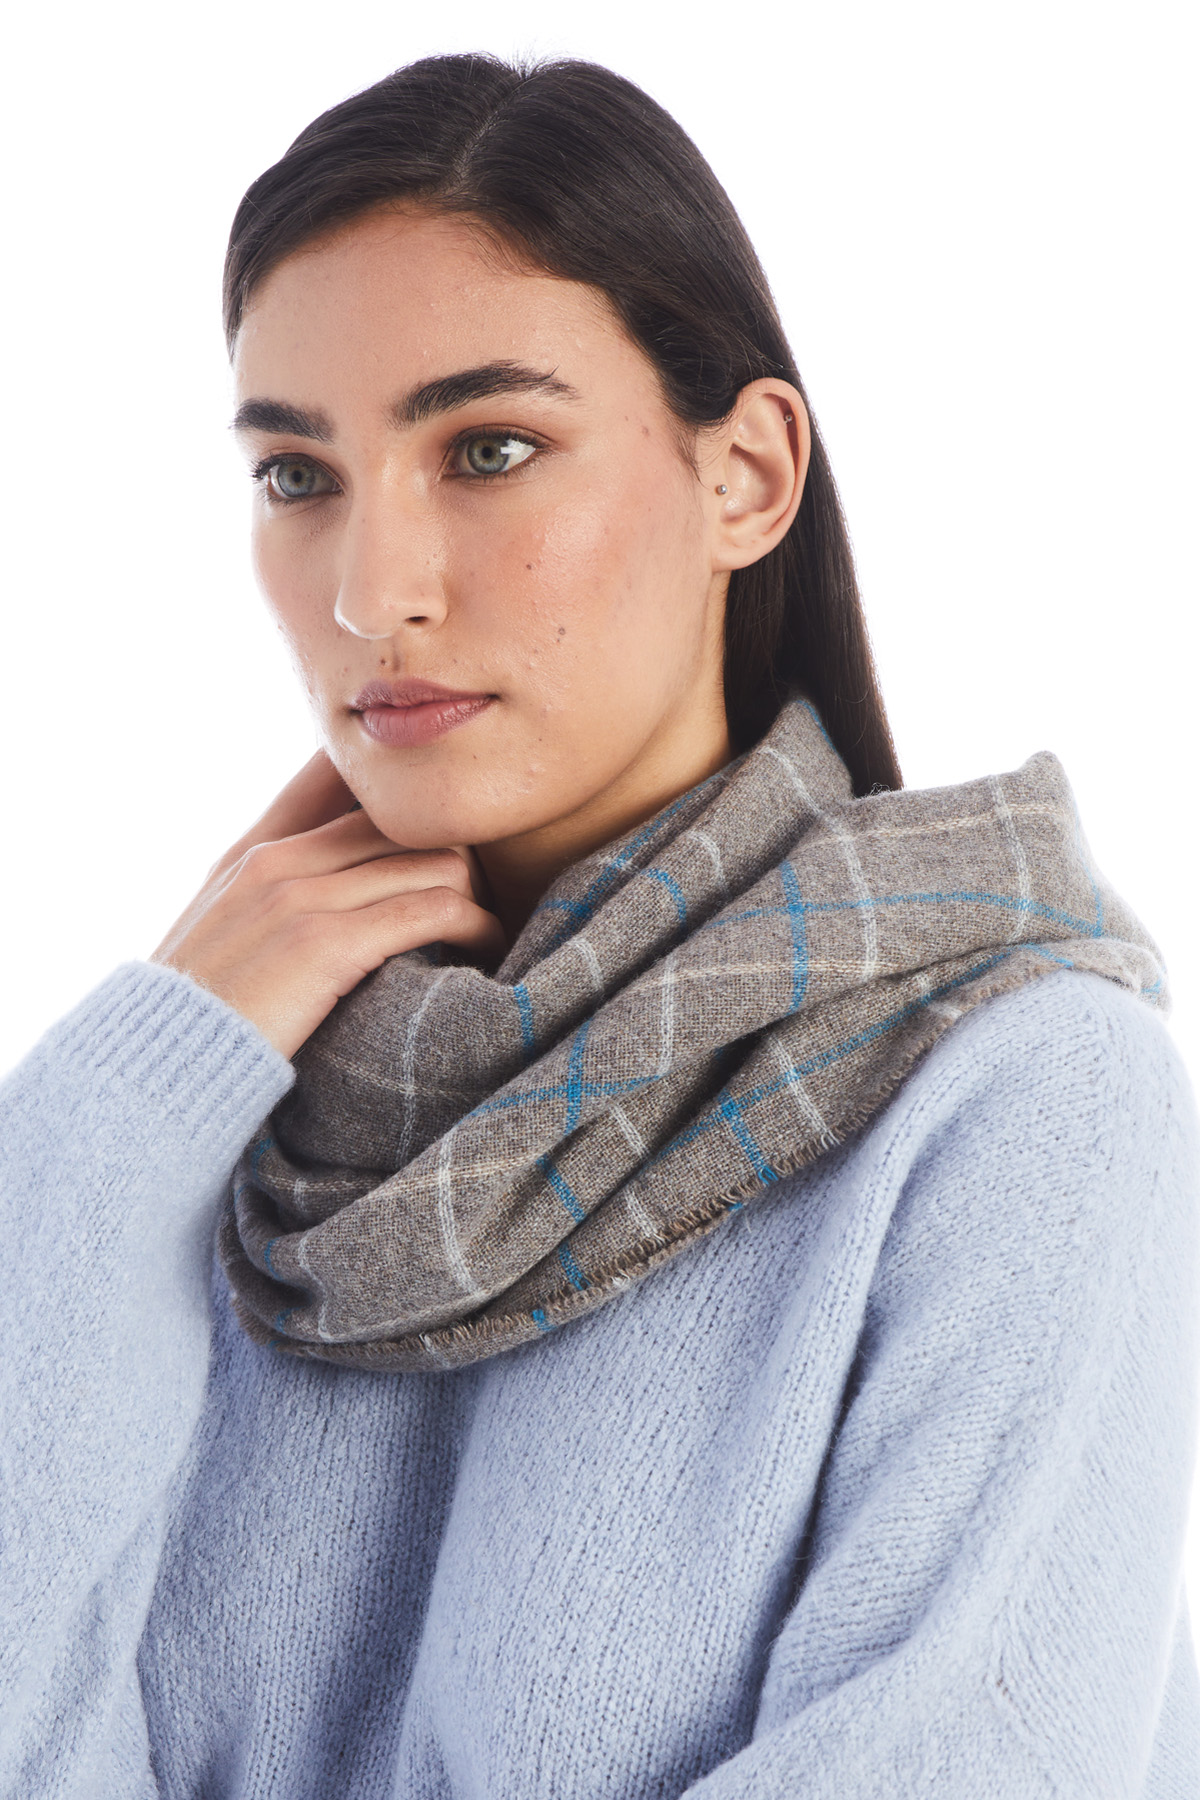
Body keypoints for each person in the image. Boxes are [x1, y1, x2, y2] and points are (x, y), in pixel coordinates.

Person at [1, 50, 1197, 1800]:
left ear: (748, 477)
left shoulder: (1018, 1096)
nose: (372, 592)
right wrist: (123, 1110)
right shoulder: (203, 1138)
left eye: (489, 450)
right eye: (297, 476)